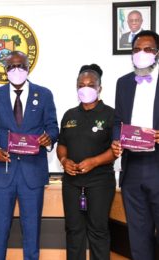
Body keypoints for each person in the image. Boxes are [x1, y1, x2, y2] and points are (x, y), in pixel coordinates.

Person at [0, 51, 59, 260]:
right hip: (3, 172)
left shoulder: (44, 94)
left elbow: (53, 126)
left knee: (32, 229)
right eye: (11, 66)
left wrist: (48, 138)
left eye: (20, 65)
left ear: (28, 67)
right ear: (5, 70)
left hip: (32, 172)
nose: (16, 70)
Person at [57, 64, 116, 260]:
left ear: (100, 88)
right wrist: (64, 160)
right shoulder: (69, 115)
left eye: (91, 85)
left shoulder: (111, 115)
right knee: (73, 231)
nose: (86, 88)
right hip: (72, 183)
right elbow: (62, 144)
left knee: (98, 231)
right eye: (81, 85)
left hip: (100, 182)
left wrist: (95, 161)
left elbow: (115, 151)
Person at [112, 30, 159, 260]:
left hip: (157, 164)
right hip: (132, 167)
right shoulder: (123, 83)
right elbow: (118, 121)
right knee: (138, 235)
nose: (142, 53)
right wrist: (115, 140)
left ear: (157, 53)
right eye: (137, 49)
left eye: (148, 49)